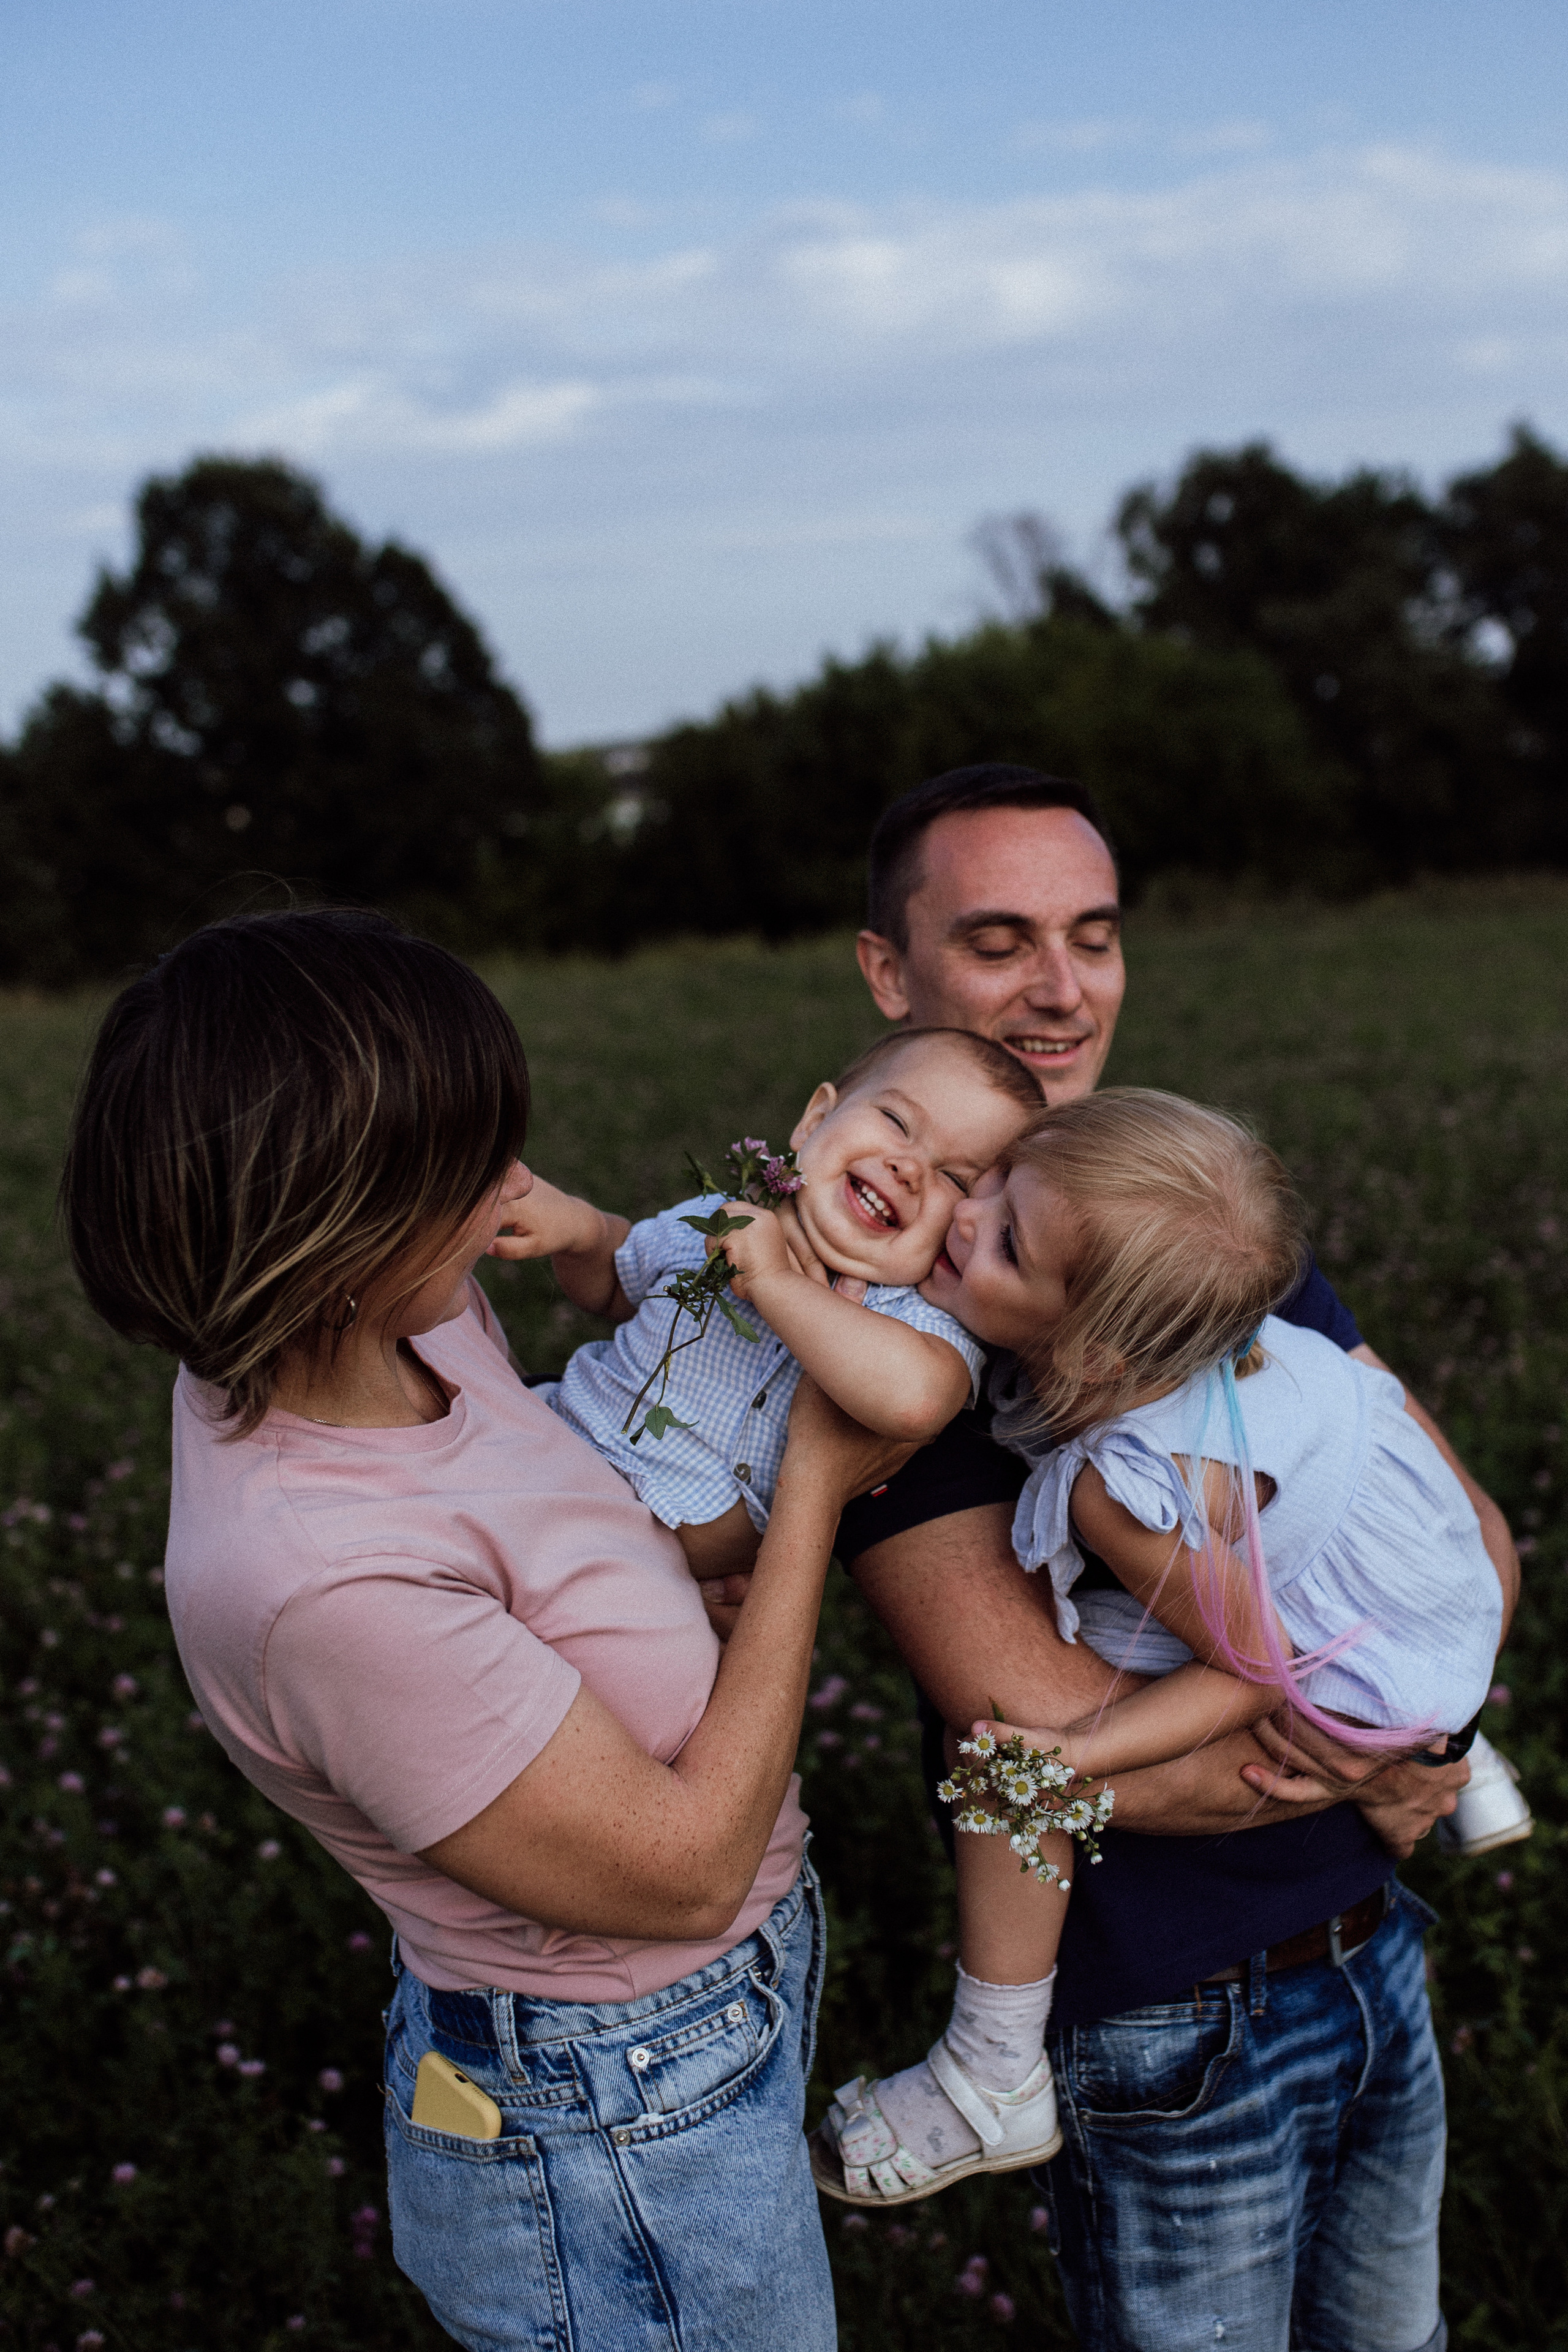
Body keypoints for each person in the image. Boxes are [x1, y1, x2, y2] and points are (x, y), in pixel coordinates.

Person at [700, 765, 1519, 2352]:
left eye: (1095, 935)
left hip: (1371, 1956)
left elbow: (1460, 1532)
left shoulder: (1163, 1217)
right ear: (890, 970)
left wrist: (1435, 1728)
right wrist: (1399, 1757)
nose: (1063, 988)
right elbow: (1054, 1742)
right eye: (1000, 939)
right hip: (1169, 2008)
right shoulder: (895, 1327)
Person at [58, 908, 914, 2352]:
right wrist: (812, 1491)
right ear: (336, 1235)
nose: (517, 1184)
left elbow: (543, 1508)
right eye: (472, 1167)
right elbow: (689, 1870)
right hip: (612, 2096)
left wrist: (657, 1582)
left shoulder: (398, 1322)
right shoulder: (317, 1582)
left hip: (681, 2040)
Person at [812, 1091, 1506, 2209]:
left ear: (1088, 1349)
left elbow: (1252, 1665)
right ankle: (1447, 1721)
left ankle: (995, 2065)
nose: (963, 1213)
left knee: (1009, 1754)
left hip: (1356, 1629)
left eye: (1006, 1239)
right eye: (991, 1181)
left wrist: (1077, 1758)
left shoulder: (1121, 1495)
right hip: (1403, 1557)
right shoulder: (1186, 1288)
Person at [508, 1029, 1040, 1586]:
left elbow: (917, 1400)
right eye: (898, 1122)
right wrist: (582, 1232)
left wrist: (774, 1281)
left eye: (955, 1178)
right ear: (815, 1120)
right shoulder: (727, 1213)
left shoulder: (915, 1319)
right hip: (548, 1446)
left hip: (644, 1571)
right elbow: (615, 1286)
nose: (909, 1167)